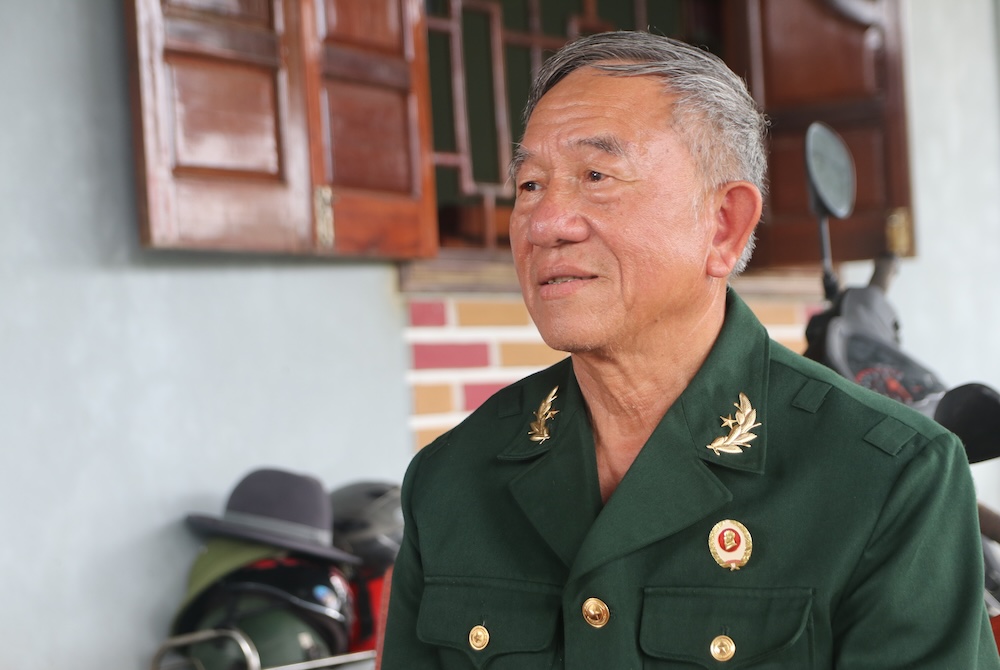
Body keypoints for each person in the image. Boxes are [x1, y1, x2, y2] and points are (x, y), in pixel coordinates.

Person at [381, 30, 1000, 668]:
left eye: (597, 175)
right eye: (530, 184)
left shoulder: (889, 478)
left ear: (724, 225)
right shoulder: (453, 479)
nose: (544, 224)